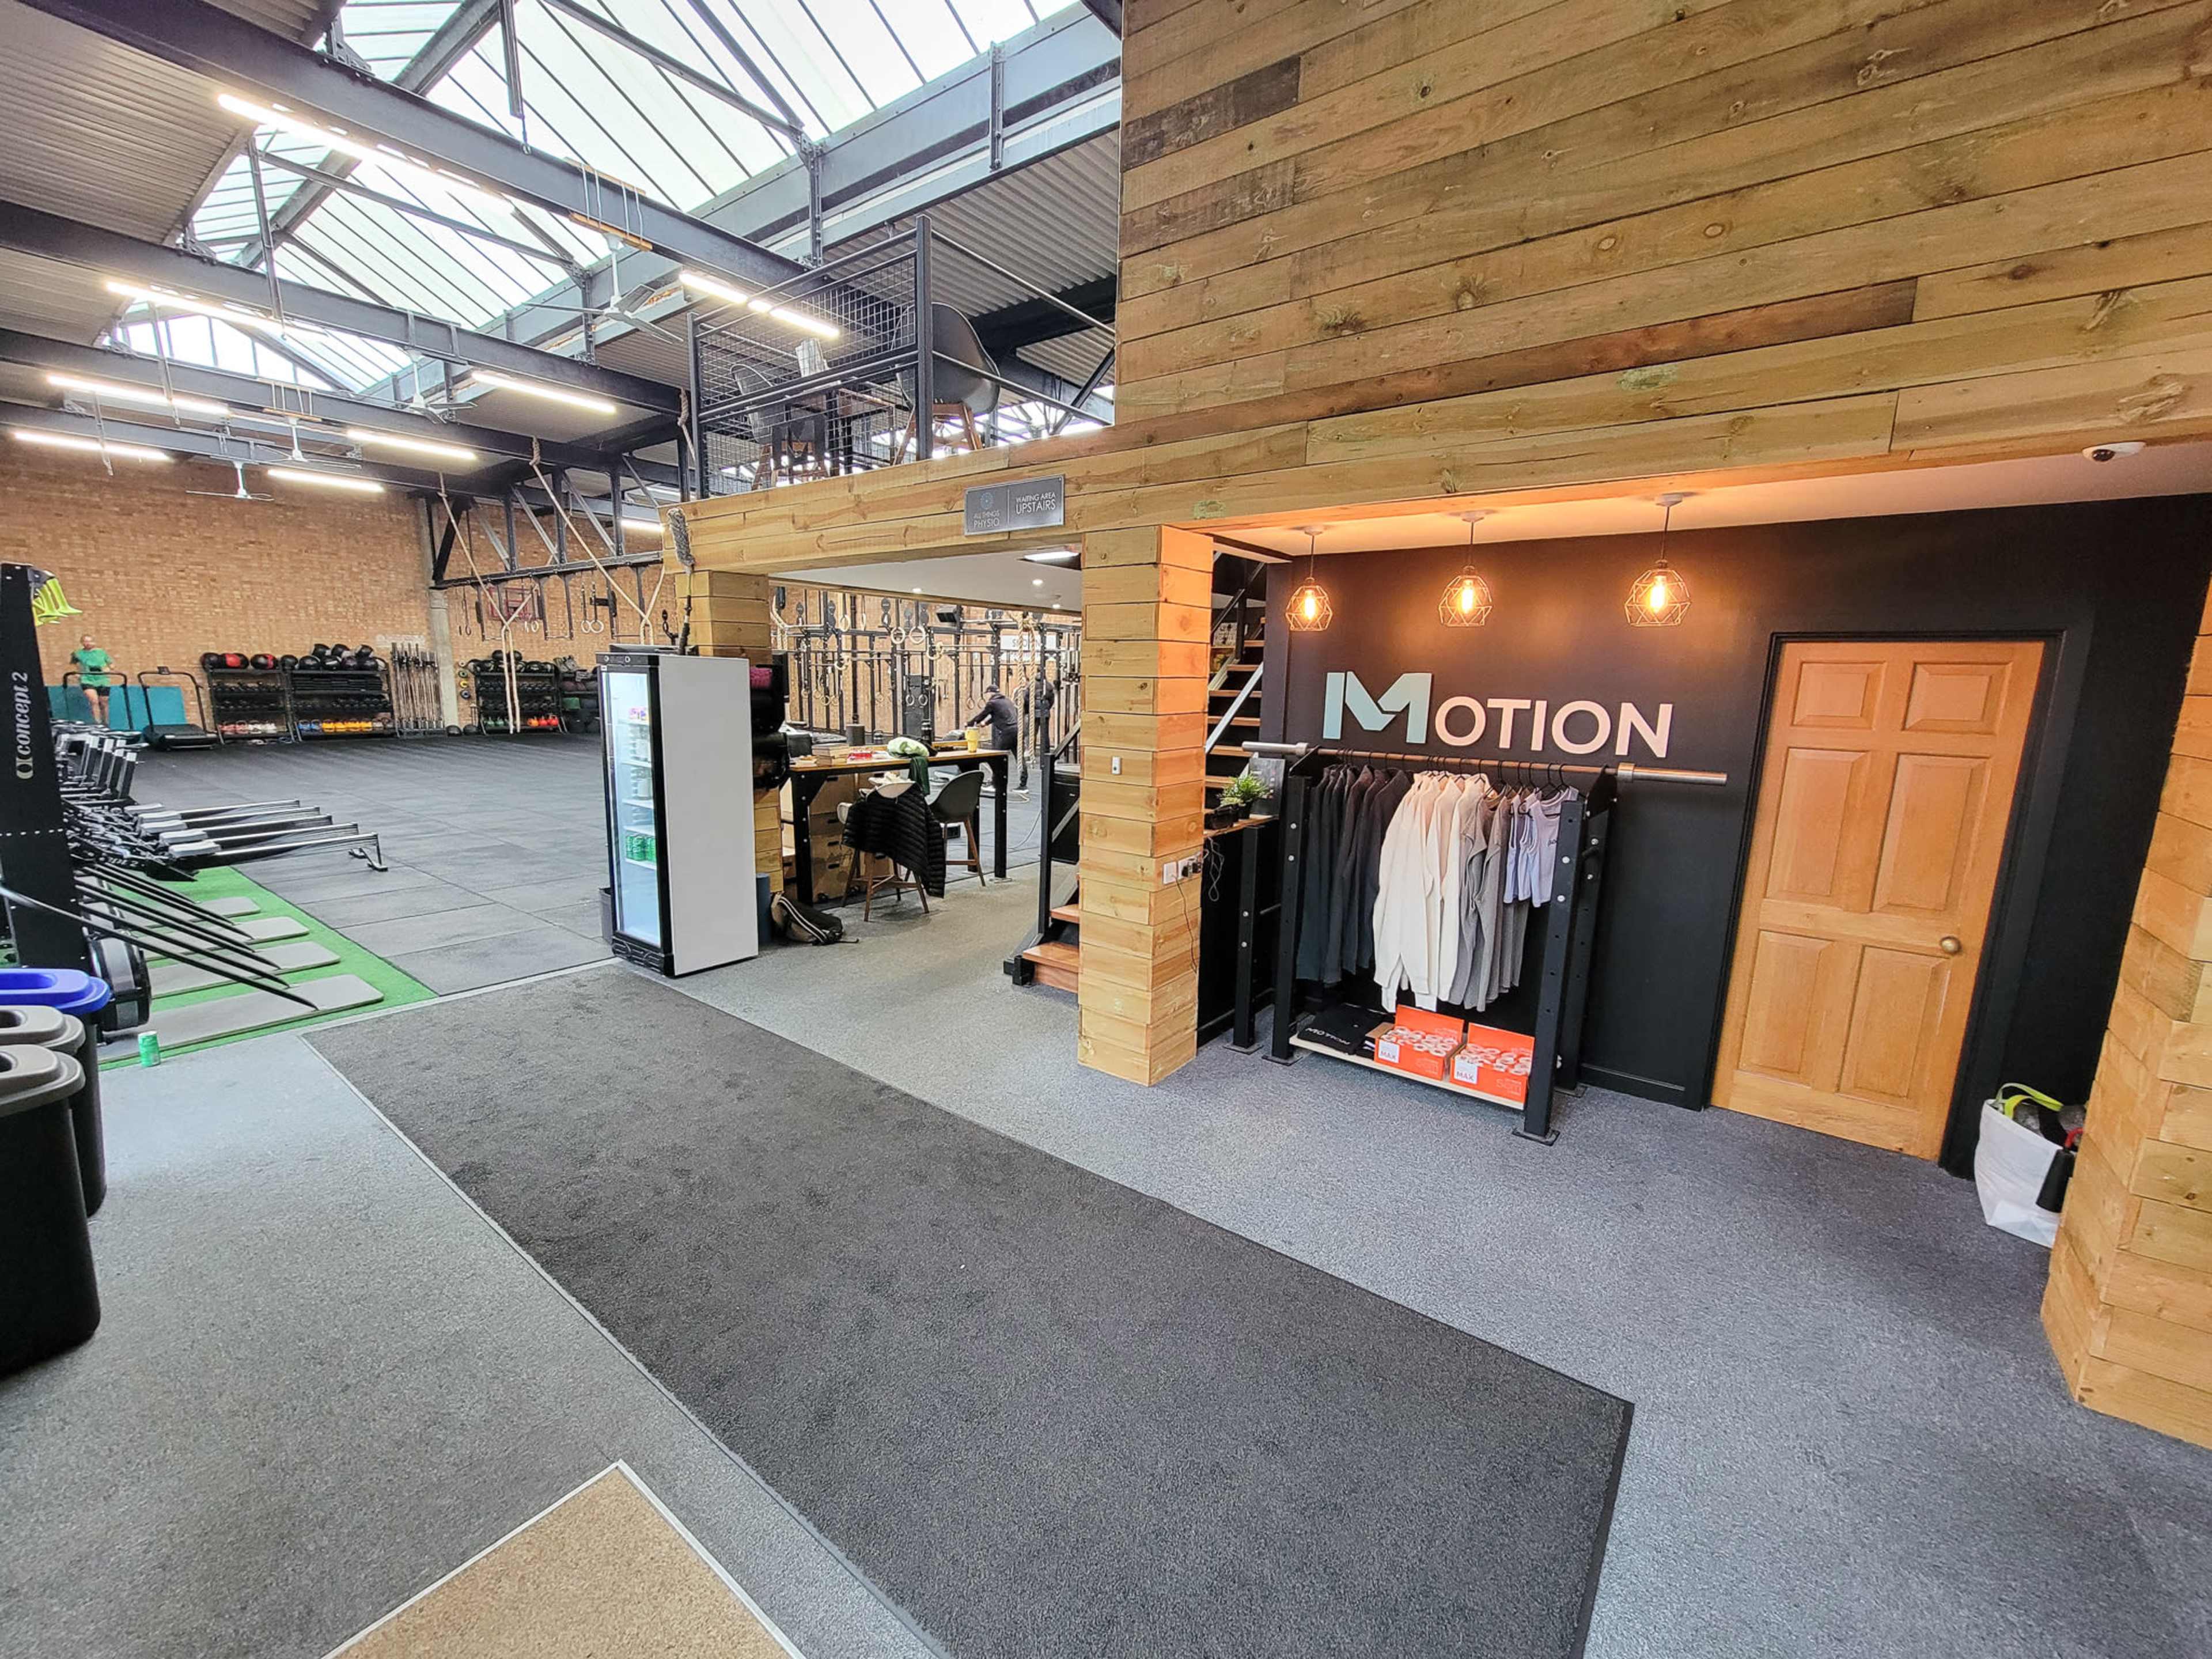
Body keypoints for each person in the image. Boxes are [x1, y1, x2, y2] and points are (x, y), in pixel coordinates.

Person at [70, 633, 117, 726]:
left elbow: (112, 664)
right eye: (85, 641)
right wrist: (77, 674)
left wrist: (109, 669)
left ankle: (106, 723)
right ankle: (97, 724)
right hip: (87, 679)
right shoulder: (77, 654)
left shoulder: (101, 652)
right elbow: (74, 665)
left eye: (90, 641)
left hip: (102, 679)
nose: (88, 643)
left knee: (104, 702)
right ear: (82, 643)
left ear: (94, 642)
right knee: (94, 701)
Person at [969, 683, 1018, 754]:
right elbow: (997, 716)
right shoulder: (1007, 701)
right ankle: (1023, 765)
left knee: (998, 755)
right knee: (1017, 753)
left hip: (1007, 732)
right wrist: (986, 723)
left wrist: (969, 724)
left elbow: (982, 716)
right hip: (1017, 730)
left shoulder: (992, 703)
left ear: (991, 693)